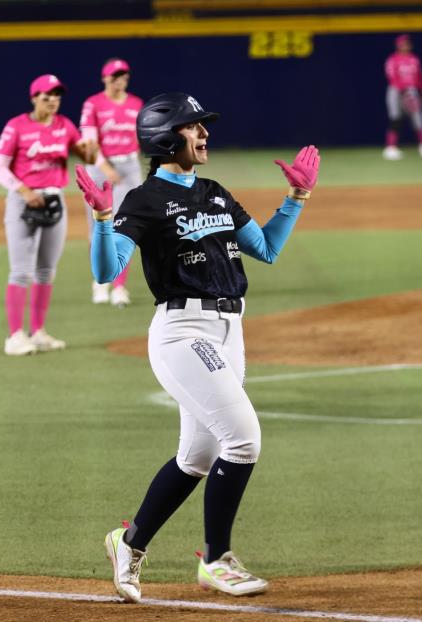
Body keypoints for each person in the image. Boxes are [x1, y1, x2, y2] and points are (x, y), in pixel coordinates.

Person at [75, 92, 320, 602]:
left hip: (231, 332)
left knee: (199, 455)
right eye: (193, 126)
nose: (204, 133)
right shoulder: (143, 200)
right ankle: (216, 559)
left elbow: (267, 249)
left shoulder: (214, 191)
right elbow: (106, 270)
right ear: (166, 138)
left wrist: (295, 200)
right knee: (245, 439)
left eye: (203, 125)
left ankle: (128, 542)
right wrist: (101, 221)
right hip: (183, 333)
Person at [0, 74, 96, 356]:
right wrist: (23, 190)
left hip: (54, 200)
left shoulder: (65, 126)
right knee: (21, 270)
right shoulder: (17, 126)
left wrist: (91, 146)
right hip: (23, 202)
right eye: (47, 95)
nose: (53, 101)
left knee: (46, 271)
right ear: (34, 97)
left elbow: (86, 157)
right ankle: (15, 336)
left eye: (57, 96)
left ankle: (37, 332)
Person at [79, 58, 144, 307]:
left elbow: (141, 136)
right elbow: (88, 139)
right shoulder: (93, 104)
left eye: (124, 75)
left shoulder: (136, 104)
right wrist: (105, 168)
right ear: (105, 78)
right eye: (115, 76)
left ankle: (119, 286)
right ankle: (99, 280)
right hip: (98, 167)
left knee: (125, 225)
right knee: (97, 228)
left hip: (128, 167)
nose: (120, 80)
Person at [383, 34, 422, 160]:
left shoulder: (414, 59)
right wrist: (402, 90)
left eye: (407, 43)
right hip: (396, 91)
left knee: (418, 117)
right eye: (403, 43)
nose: (406, 45)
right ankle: (391, 148)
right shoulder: (393, 59)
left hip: (411, 90)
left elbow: (420, 77)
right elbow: (391, 77)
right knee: (395, 117)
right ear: (398, 45)